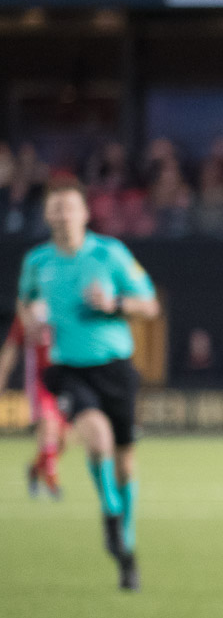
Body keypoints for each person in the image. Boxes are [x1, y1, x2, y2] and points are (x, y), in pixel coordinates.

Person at [17, 178, 159, 590]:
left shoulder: (110, 254)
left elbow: (149, 305)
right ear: (47, 215)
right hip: (68, 368)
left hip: (114, 367)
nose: (63, 215)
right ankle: (111, 514)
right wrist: (31, 324)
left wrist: (113, 304)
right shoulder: (38, 261)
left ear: (85, 212)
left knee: (125, 461)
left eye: (70, 207)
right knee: (96, 440)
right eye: (56, 208)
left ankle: (126, 547)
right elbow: (26, 301)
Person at [0, 308, 67, 498]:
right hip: (39, 381)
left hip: (64, 380)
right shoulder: (28, 314)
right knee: (48, 424)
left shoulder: (62, 307)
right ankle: (52, 479)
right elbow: (11, 349)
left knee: (63, 440)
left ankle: (34, 469)